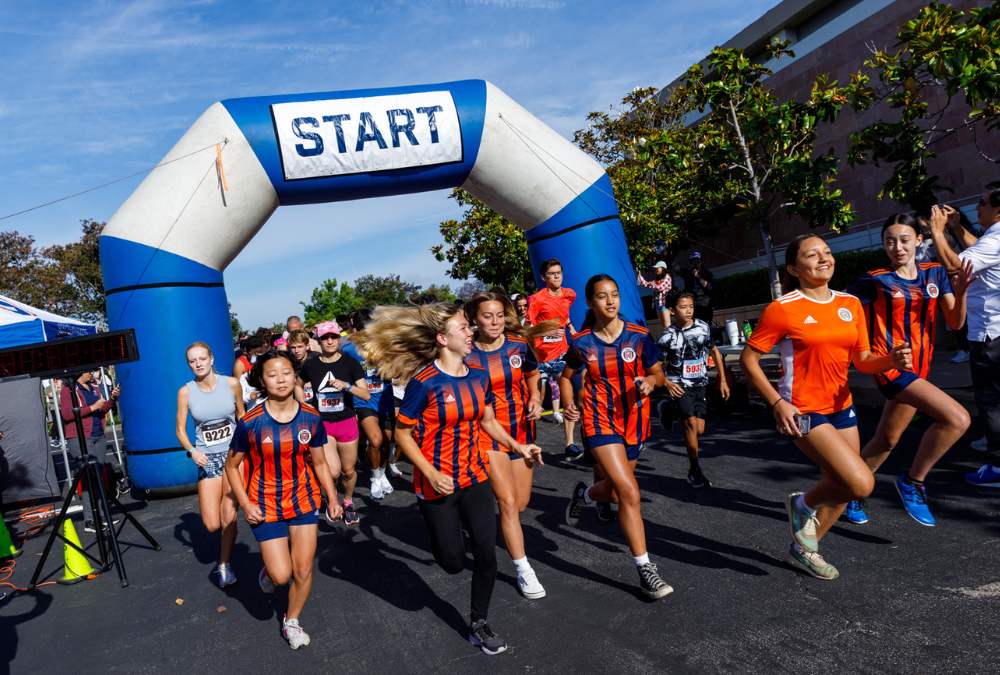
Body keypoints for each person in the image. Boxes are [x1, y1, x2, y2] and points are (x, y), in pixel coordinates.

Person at [351, 303, 543, 655]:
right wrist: (430, 473)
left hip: (474, 476)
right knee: (453, 563)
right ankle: (442, 532)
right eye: (463, 327)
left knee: (487, 553)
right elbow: (404, 435)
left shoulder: (477, 375)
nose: (470, 331)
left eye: (470, 327)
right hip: (435, 484)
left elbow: (487, 421)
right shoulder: (423, 384)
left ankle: (478, 624)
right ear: (443, 338)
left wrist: (519, 445)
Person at [740, 234, 912, 581]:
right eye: (811, 255)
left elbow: (862, 360)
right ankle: (800, 505)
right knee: (861, 482)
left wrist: (889, 360)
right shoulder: (783, 308)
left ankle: (804, 551)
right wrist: (777, 403)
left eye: (827, 252)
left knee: (844, 486)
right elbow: (748, 360)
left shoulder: (850, 303)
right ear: (794, 268)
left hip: (841, 406)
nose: (823, 258)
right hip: (802, 410)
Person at [842, 214, 974, 526]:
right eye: (889, 241)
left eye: (903, 239)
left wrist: (964, 290)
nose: (897, 246)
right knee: (957, 419)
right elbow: (842, 309)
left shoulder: (935, 274)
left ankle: (848, 492)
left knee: (887, 439)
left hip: (920, 369)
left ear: (918, 240)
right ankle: (913, 483)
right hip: (891, 369)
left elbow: (955, 323)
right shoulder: (875, 279)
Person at [561, 275, 672, 599]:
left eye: (615, 295)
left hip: (635, 421)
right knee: (630, 493)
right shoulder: (582, 343)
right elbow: (567, 378)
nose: (610, 301)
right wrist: (569, 404)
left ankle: (584, 496)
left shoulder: (638, 336)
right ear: (591, 303)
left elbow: (659, 373)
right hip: (599, 422)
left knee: (615, 492)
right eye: (602, 296)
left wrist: (652, 383)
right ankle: (645, 569)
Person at [225, 351, 340, 649]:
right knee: (281, 575)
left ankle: (292, 621)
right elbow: (231, 467)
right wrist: (246, 504)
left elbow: (320, 463)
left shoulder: (311, 416)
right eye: (272, 374)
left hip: (304, 499)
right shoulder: (250, 422)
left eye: (286, 372)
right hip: (265, 505)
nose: (280, 379)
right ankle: (270, 572)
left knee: (302, 570)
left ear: (295, 375)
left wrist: (332, 497)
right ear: (261, 380)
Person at [465, 292, 558, 600]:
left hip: (521, 433)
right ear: (475, 320)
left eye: (500, 315)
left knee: (519, 505)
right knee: (506, 503)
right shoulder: (465, 355)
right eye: (488, 316)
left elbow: (532, 375)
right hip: (485, 435)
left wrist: (535, 398)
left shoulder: (518, 346)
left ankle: (485, 517)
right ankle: (523, 568)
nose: (495, 322)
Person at [927, 186, 1000, 485]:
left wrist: (937, 231)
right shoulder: (992, 239)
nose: (976, 205)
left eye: (981, 202)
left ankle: (997, 465)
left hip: (989, 335)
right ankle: (993, 438)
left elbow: (955, 265)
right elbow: (976, 250)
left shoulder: (996, 239)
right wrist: (956, 227)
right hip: (994, 330)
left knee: (991, 399)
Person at [175, 342, 246, 586]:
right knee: (212, 524)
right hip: (207, 457)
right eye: (193, 361)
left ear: (211, 359)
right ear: (189, 364)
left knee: (229, 515)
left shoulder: (232, 384)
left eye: (202, 359)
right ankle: (225, 558)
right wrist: (192, 451)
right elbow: (180, 430)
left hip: (234, 456)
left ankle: (225, 564)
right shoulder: (186, 392)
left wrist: (247, 445)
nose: (198, 364)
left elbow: (242, 417)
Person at [295, 320, 369, 525]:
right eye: (325, 337)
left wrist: (347, 386)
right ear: (318, 340)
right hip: (323, 425)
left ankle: (347, 501)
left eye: (333, 336)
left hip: (346, 422)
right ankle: (332, 498)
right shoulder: (311, 365)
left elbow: (365, 394)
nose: (329, 341)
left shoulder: (350, 363)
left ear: (339, 337)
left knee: (348, 471)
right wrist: (304, 406)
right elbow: (298, 386)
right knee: (334, 470)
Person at [658, 289, 730, 489]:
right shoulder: (667, 337)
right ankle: (694, 470)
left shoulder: (703, 327)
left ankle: (670, 412)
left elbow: (714, 352)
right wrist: (666, 383)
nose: (689, 311)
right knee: (691, 423)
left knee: (699, 429)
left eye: (691, 306)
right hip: (679, 384)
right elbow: (653, 365)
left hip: (700, 383)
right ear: (672, 311)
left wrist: (722, 381)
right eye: (683, 307)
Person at [527, 258, 582, 460]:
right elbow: (528, 330)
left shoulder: (569, 294)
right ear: (544, 278)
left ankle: (570, 444)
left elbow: (563, 315)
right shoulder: (537, 299)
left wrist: (571, 329)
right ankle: (529, 444)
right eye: (551, 273)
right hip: (540, 357)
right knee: (537, 404)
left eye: (559, 272)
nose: (556, 276)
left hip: (561, 354)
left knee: (568, 399)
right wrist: (547, 335)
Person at [341, 307, 394, 500]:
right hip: (364, 401)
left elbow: (397, 371)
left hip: (386, 400)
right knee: (375, 440)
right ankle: (374, 477)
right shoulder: (347, 350)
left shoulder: (386, 345)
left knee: (387, 444)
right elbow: (343, 376)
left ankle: (381, 473)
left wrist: (388, 369)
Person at [60, 371, 120, 533]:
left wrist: (112, 399)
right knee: (89, 477)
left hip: (98, 436)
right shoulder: (68, 390)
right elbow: (66, 414)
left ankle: (100, 516)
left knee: (97, 478)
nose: (92, 374)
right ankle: (89, 520)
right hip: (80, 437)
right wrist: (92, 407)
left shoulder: (93, 387)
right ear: (79, 374)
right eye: (89, 371)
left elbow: (101, 411)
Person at [680, 252, 715, 324]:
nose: (695, 263)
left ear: (701, 261)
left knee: (706, 327)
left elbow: (710, 287)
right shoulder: (688, 274)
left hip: (705, 306)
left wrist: (698, 276)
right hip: (693, 306)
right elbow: (676, 268)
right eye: (692, 261)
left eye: (697, 261)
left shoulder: (707, 274)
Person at [637, 261, 673, 328]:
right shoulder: (657, 279)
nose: (656, 269)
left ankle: (672, 338)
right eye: (655, 268)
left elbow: (660, 288)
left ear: (662, 268)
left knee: (667, 325)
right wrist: (640, 276)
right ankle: (668, 338)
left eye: (657, 268)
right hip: (657, 303)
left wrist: (653, 284)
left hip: (664, 303)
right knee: (663, 325)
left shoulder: (667, 277)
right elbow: (646, 285)